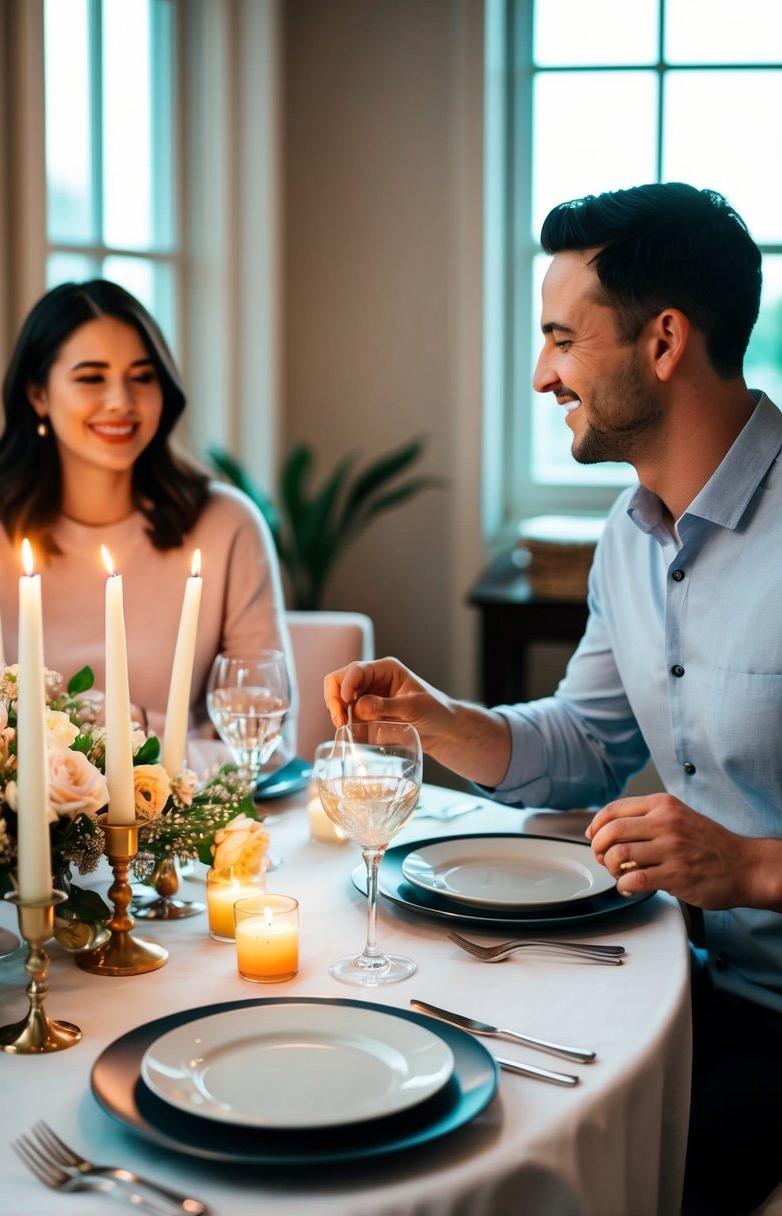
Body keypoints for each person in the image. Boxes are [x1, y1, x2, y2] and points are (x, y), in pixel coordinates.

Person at [324, 183, 782, 1215]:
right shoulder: (628, 534)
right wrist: (435, 717)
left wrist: (748, 865)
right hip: (687, 981)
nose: (542, 374)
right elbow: (580, 742)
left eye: (561, 339)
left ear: (663, 340)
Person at [0, 279, 295, 775]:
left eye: (143, 376)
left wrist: (103, 737)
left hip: (189, 841)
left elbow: (266, 744)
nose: (122, 401)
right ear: (38, 394)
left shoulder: (226, 527)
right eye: (91, 378)